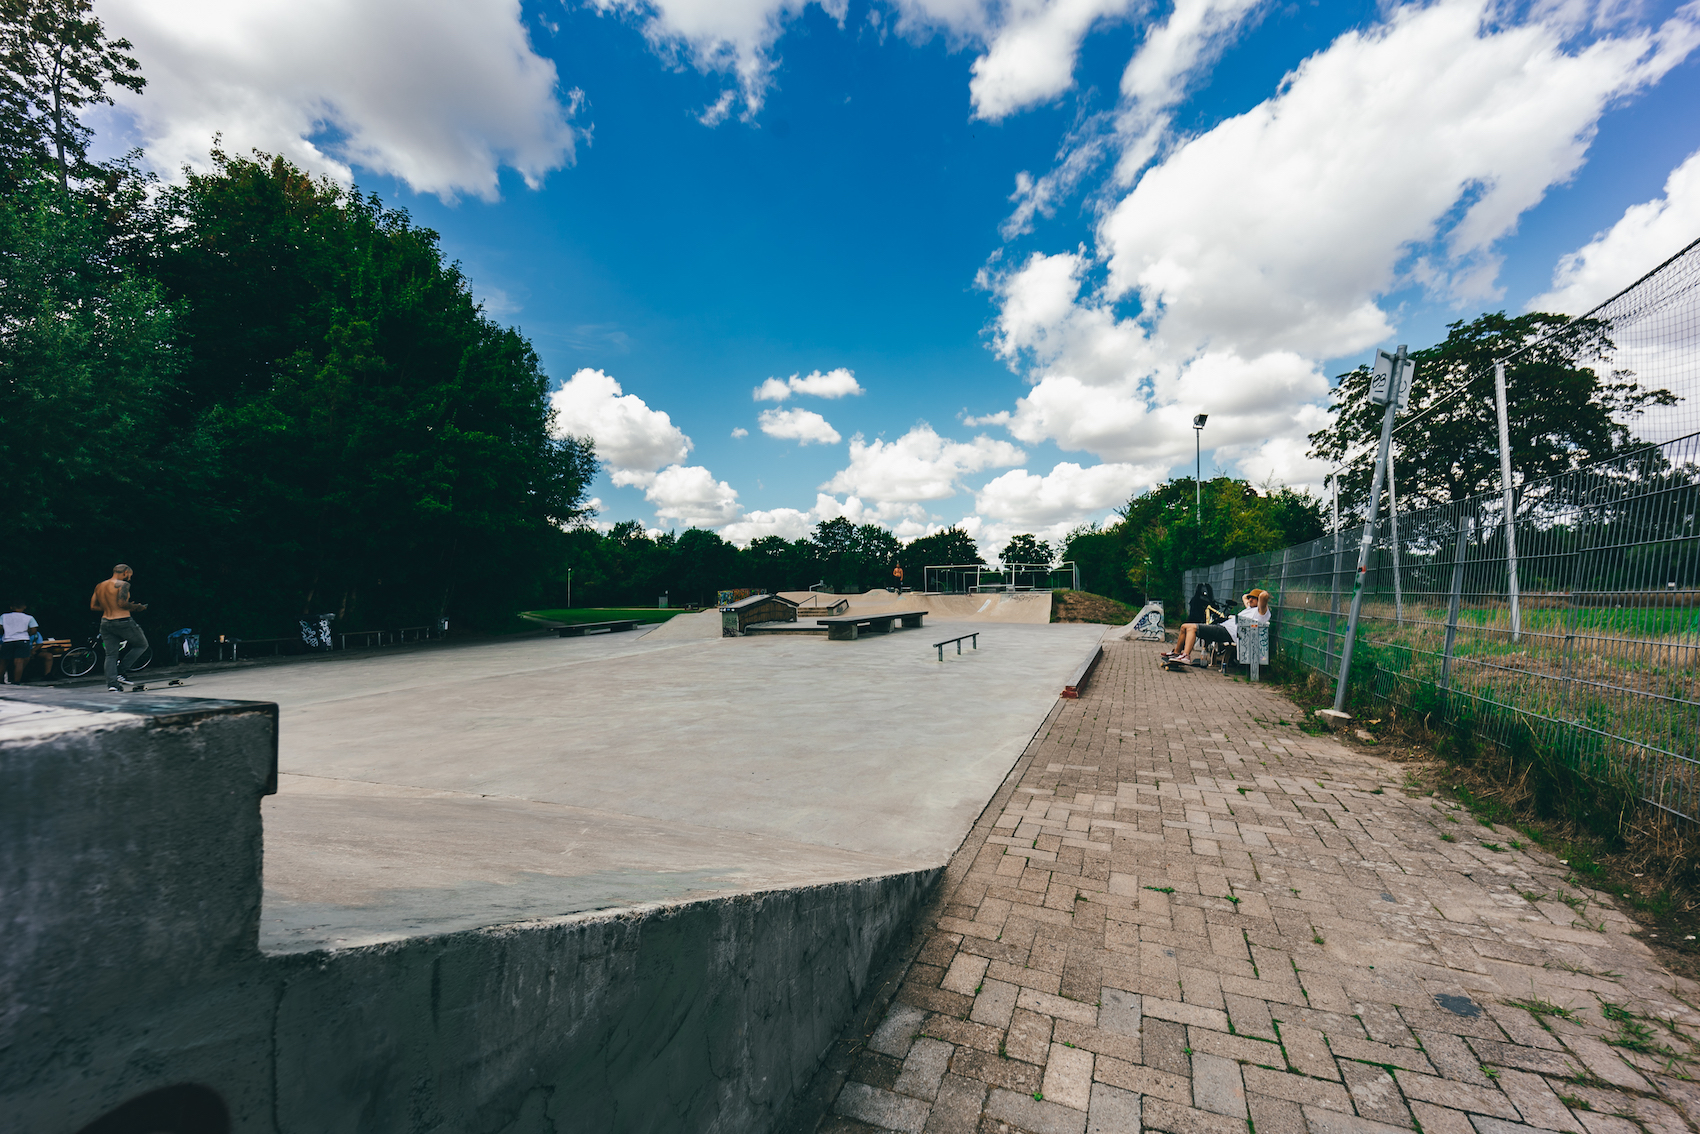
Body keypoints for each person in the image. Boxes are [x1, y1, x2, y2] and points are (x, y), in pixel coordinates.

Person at [1163, 589, 1271, 666]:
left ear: (1260, 601)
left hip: (1228, 632)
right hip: (1223, 628)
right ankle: (1176, 653)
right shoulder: (1249, 608)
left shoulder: (1261, 612)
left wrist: (1261, 593)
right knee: (1184, 626)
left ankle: (1186, 656)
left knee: (1192, 628)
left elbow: (1264, 596)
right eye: (1250, 597)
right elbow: (1244, 597)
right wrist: (1252, 595)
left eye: (1253, 598)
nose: (1250, 599)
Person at [90, 563, 150, 691]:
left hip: (105, 622)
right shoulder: (123, 585)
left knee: (111, 655)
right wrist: (137, 607)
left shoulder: (100, 586)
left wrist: (109, 607)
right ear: (125, 572)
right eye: (130, 575)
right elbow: (122, 603)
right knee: (142, 645)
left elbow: (93, 606)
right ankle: (121, 672)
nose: (130, 578)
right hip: (123, 621)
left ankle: (112, 685)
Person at [2, 602, 41, 685]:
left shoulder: (4, 616)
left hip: (7, 639)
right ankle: (16, 681)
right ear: (24, 607)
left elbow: (0, 627)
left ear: (11, 607)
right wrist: (26, 633)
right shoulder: (29, 618)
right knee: (19, 661)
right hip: (22, 639)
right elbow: (34, 630)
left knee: (3, 661)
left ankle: (0, 680)